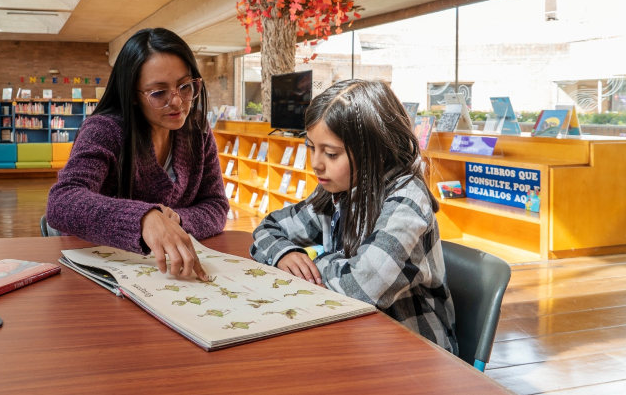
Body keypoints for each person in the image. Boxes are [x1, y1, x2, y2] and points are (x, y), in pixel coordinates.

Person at [250, 79, 458, 353]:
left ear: (373, 150)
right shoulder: (337, 189)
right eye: (311, 147)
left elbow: (361, 285)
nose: (316, 164)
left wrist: (314, 265)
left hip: (412, 353)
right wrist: (284, 254)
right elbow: (268, 228)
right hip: (351, 336)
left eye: (331, 153)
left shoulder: (406, 200)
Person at [47, 28, 228, 281]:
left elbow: (216, 205)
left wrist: (175, 221)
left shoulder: (196, 129)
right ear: (132, 95)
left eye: (185, 86)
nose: (177, 101)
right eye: (158, 93)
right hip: (102, 271)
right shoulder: (105, 130)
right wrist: (144, 219)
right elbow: (62, 202)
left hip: (170, 274)